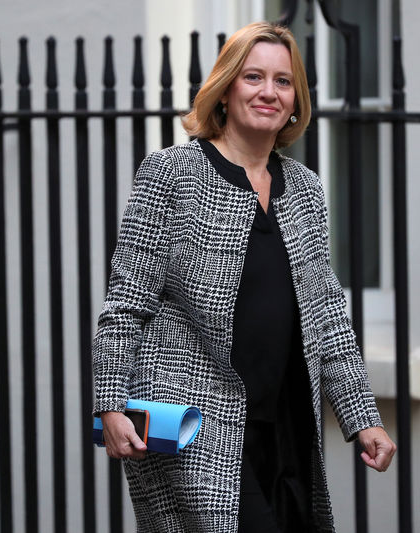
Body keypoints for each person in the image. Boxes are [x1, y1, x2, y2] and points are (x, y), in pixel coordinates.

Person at [92, 21, 396, 533]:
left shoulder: (305, 188)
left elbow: (327, 315)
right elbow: (126, 302)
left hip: (286, 418)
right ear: (226, 89)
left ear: (295, 99)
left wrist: (361, 417)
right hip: (193, 417)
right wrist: (110, 405)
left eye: (282, 81)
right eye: (254, 77)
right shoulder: (172, 174)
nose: (269, 92)